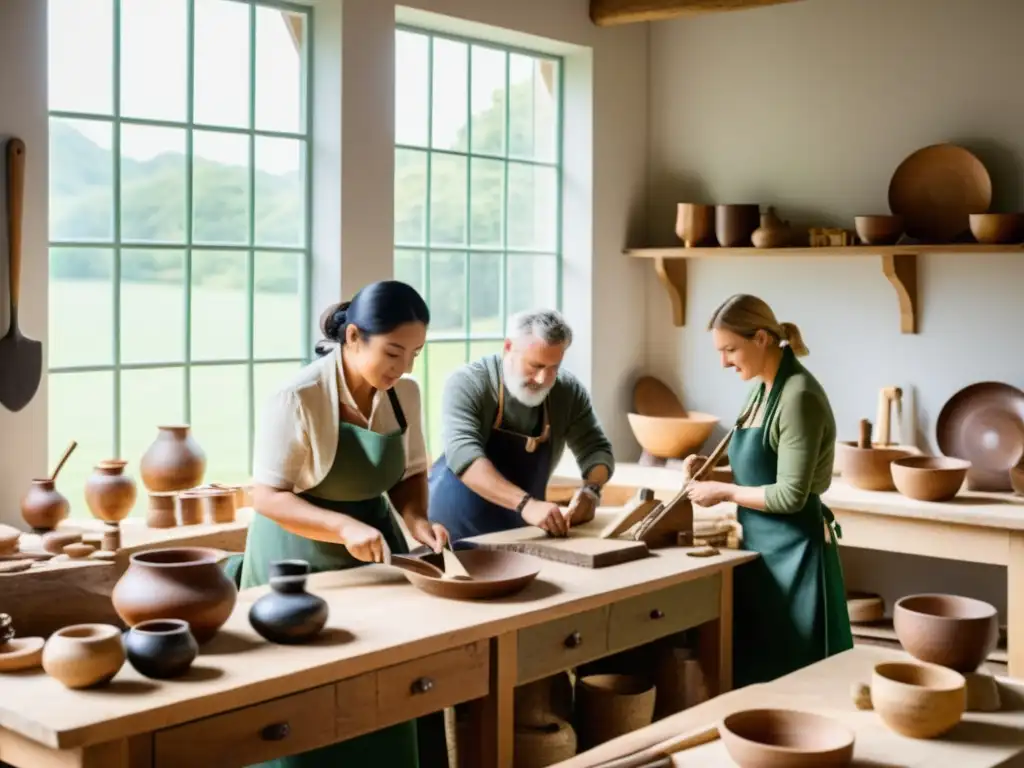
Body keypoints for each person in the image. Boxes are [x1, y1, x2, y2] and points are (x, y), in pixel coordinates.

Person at [242, 280, 449, 768]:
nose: (404, 368)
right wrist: (343, 528)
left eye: (415, 354)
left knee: (388, 678)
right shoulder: (298, 396)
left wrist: (418, 521)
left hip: (376, 547)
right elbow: (266, 496)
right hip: (295, 557)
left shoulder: (404, 394)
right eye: (393, 352)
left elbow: (412, 473)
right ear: (353, 337)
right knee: (307, 698)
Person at [682, 294, 853, 689]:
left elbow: (790, 495)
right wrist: (714, 472)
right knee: (761, 676)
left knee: (801, 680)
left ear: (760, 338)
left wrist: (721, 493)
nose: (723, 362)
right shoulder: (761, 390)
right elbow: (760, 469)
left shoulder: (798, 398)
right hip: (760, 551)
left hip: (796, 554)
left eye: (730, 349)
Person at [428, 309, 615, 542]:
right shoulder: (469, 383)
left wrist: (591, 490)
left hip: (524, 533)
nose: (542, 379)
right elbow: (463, 455)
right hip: (453, 531)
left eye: (553, 367)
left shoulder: (567, 392)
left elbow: (596, 448)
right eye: (535, 366)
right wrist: (527, 504)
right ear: (508, 348)